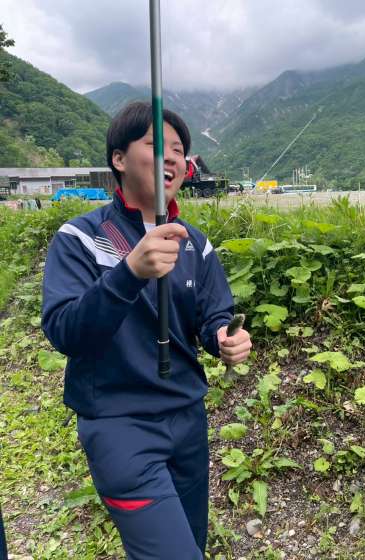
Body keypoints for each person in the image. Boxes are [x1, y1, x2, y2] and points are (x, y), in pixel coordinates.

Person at [42, 102, 252, 559]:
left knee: (192, 543)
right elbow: (64, 331)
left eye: (178, 150)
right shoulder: (80, 239)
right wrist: (130, 272)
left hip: (188, 420)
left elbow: (213, 315)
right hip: (120, 427)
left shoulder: (194, 243)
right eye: (156, 146)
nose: (171, 157)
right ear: (119, 159)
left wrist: (224, 338)